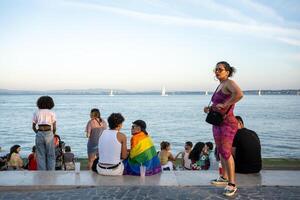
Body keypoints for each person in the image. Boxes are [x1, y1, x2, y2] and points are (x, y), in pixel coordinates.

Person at [204, 61, 243, 196]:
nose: (217, 71)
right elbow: (217, 103)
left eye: (220, 69)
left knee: (226, 152)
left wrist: (225, 104)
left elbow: (239, 94)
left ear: (227, 72)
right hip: (217, 122)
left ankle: (232, 184)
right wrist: (210, 108)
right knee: (220, 150)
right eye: (216, 69)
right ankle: (224, 177)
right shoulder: (220, 84)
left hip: (228, 123)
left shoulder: (229, 83)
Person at [32, 96, 56, 170]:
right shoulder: (52, 113)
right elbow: (54, 126)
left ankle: (42, 173)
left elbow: (33, 126)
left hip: (39, 132)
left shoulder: (36, 112)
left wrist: (37, 132)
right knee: (51, 154)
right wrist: (53, 134)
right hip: (49, 133)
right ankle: (51, 172)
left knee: (40, 155)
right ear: (50, 103)